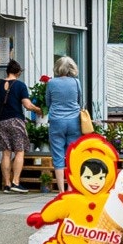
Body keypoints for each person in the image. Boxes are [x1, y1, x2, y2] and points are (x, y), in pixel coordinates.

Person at [0, 60, 41, 193]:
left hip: (1, 122)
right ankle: (15, 182)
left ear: (7, 71)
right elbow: (27, 105)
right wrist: (38, 110)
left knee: (6, 153)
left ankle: (6, 184)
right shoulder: (20, 85)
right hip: (16, 121)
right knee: (19, 151)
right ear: (18, 72)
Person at [43, 56, 83, 194]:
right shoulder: (76, 82)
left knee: (58, 155)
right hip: (74, 121)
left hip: (56, 121)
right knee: (72, 154)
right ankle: (70, 188)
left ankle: (61, 190)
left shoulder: (51, 83)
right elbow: (79, 100)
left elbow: (48, 102)